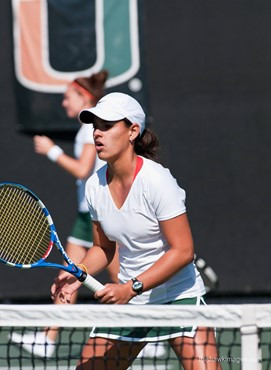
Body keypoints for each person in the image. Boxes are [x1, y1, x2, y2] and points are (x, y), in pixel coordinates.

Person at [51, 92, 221, 370]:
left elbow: (183, 252)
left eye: (107, 126)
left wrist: (131, 288)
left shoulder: (157, 181)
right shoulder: (95, 186)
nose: (97, 133)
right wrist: (76, 273)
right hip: (131, 301)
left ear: (132, 131)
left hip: (179, 296)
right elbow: (103, 248)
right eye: (95, 126)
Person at [9, 71, 119, 358]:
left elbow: (83, 170)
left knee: (121, 277)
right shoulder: (89, 129)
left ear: (84, 98)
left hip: (101, 216)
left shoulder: (88, 129)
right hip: (88, 215)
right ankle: (49, 336)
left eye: (67, 97)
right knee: (66, 275)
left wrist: (52, 151)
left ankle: (152, 333)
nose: (63, 103)